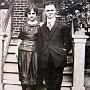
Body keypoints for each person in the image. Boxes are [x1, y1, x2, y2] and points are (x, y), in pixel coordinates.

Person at [37, 1, 72, 90]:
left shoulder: (63, 26)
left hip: (58, 59)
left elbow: (68, 43)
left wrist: (63, 52)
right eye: (48, 11)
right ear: (45, 12)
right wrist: (42, 54)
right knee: (48, 84)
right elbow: (39, 43)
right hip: (45, 59)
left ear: (55, 11)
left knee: (57, 85)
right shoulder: (41, 28)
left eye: (52, 10)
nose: (50, 12)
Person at [17, 3, 42, 90]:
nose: (31, 15)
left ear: (36, 14)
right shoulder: (23, 26)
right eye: (29, 13)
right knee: (24, 72)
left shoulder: (40, 26)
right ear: (27, 14)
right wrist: (16, 50)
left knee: (34, 73)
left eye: (33, 13)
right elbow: (20, 38)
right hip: (23, 51)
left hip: (35, 51)